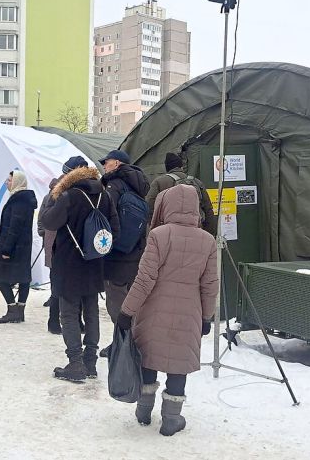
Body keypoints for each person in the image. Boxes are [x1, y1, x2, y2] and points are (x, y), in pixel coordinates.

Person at [118, 184, 219, 437]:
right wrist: (207, 317)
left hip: (153, 310)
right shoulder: (208, 241)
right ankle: (171, 419)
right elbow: (210, 284)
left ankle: (143, 410)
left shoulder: (159, 235)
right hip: (189, 313)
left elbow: (144, 278)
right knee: (178, 365)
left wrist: (127, 311)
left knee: (149, 358)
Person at [40, 164, 119, 382]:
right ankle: (90, 362)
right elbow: (115, 228)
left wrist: (54, 197)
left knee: (69, 313)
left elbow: (49, 221)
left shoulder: (69, 196)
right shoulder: (105, 196)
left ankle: (75, 363)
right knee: (91, 311)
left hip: (68, 263)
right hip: (94, 262)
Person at [98, 150, 151, 358]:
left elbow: (105, 216)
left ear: (117, 163)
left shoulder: (114, 185)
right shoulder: (137, 184)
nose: (104, 165)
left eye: (107, 161)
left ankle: (123, 347)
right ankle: (128, 342)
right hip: (135, 250)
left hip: (117, 254)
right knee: (132, 300)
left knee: (116, 303)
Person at [39, 156, 89, 335]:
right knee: (58, 285)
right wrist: (46, 235)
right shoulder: (58, 191)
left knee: (73, 283)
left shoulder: (76, 189)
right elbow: (43, 217)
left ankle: (76, 320)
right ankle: (54, 321)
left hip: (68, 244)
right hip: (58, 245)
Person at [0, 170, 38, 324]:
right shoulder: (24, 200)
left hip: (13, 247)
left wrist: (6, 249)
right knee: (23, 278)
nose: (7, 182)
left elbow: (14, 227)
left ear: (17, 182)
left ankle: (13, 310)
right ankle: (20, 311)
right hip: (23, 247)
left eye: (9, 180)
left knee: (1, 277)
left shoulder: (18, 201)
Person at [145, 152, 216, 233]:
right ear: (182, 167)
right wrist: (209, 233)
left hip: (169, 232)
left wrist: (155, 230)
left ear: (167, 168)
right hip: (195, 231)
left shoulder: (159, 182)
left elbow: (149, 208)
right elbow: (208, 209)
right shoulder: (196, 182)